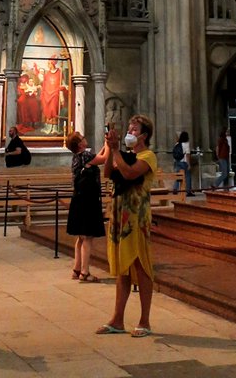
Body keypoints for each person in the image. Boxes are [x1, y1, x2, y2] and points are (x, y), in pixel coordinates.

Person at [97, 114, 158, 338]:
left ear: (144, 135)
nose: (130, 133)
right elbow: (107, 173)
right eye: (129, 129)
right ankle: (117, 319)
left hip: (136, 218)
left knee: (141, 266)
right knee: (123, 268)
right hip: (119, 216)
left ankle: (145, 321)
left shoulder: (148, 156)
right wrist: (109, 148)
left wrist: (115, 151)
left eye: (134, 130)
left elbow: (130, 173)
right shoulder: (124, 155)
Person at [66, 131, 108, 282]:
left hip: (78, 199)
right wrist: (110, 144)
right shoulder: (85, 156)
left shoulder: (78, 157)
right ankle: (85, 272)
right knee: (88, 237)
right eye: (83, 138)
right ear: (80, 144)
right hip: (88, 200)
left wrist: (105, 145)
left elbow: (97, 157)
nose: (85, 139)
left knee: (81, 237)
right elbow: (104, 159)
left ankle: (76, 269)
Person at [172, 130, 193, 196]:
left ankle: (175, 189)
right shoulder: (186, 144)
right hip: (184, 162)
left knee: (178, 176)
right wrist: (189, 164)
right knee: (187, 176)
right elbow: (187, 155)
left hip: (178, 162)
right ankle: (188, 191)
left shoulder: (177, 144)